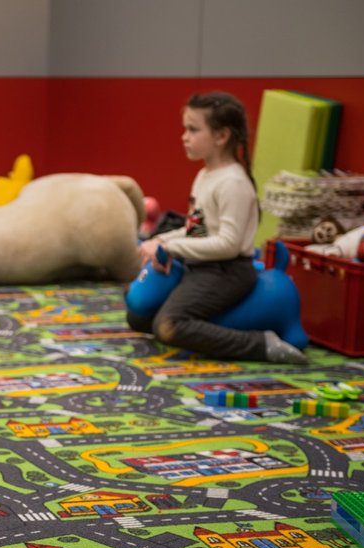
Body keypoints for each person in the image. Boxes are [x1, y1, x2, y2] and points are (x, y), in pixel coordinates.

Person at [127, 92, 307, 364]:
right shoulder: (204, 175)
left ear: (221, 136)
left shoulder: (233, 183)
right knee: (138, 316)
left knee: (168, 325)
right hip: (201, 266)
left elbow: (228, 244)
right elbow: (197, 231)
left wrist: (170, 246)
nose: (184, 137)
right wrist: (159, 239)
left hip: (228, 271)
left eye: (193, 130)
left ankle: (261, 345)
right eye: (185, 129)